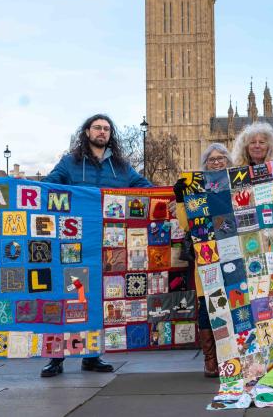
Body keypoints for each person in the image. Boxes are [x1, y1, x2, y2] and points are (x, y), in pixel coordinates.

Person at [40, 114, 151, 377]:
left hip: (108, 248)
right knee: (70, 299)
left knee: (98, 302)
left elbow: (144, 188)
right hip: (75, 246)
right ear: (87, 131)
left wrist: (173, 195)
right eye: (97, 128)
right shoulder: (70, 163)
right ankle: (56, 357)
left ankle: (91, 356)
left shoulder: (122, 168)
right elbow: (48, 186)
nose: (102, 132)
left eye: (106, 129)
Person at [173, 143, 233, 377]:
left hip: (233, 253)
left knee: (233, 305)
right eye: (211, 159)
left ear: (228, 162)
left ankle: (232, 355)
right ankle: (211, 359)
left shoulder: (236, 185)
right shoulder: (196, 189)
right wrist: (180, 198)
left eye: (221, 159)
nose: (216, 162)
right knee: (207, 307)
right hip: (207, 254)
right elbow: (185, 224)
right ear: (205, 164)